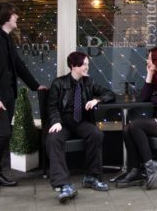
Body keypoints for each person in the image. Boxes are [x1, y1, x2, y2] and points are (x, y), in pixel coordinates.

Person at [0, 2, 46, 189]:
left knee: (4, 134)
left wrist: (36, 86)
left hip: (7, 94)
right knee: (2, 133)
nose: (17, 17)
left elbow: (19, 65)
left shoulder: (8, 39)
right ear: (5, 16)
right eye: (14, 14)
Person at [45, 51, 115, 203]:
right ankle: (63, 185)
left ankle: (92, 176)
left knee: (96, 134)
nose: (86, 67)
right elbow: (51, 106)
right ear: (73, 66)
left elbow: (110, 94)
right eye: (84, 64)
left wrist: (97, 100)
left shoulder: (88, 82)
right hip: (63, 122)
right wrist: (56, 121)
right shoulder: (59, 83)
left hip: (81, 122)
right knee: (53, 139)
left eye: (87, 64)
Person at [115, 45, 157, 189]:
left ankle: (150, 165)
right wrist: (150, 75)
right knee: (127, 128)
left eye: (151, 58)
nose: (148, 61)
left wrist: (154, 96)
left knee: (135, 125)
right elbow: (143, 98)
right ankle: (135, 170)